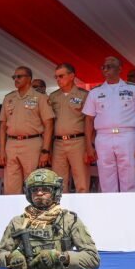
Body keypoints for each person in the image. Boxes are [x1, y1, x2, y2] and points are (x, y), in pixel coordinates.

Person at [83, 57, 135, 193]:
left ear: (120, 69)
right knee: (106, 176)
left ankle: (128, 204)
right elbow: (88, 120)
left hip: (127, 135)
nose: (106, 70)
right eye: (104, 67)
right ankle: (110, 205)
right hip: (103, 137)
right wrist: (89, 145)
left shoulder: (133, 89)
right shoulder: (95, 92)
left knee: (128, 175)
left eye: (110, 66)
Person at [0, 67, 55, 195]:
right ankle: (14, 208)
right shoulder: (9, 98)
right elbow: (2, 126)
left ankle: (34, 208)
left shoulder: (40, 97)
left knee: (34, 185)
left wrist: (45, 150)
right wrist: (1, 150)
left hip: (32, 143)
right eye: (14, 77)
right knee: (11, 187)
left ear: (29, 78)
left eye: (19, 76)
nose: (16, 79)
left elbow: (49, 124)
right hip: (11, 144)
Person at [48, 63, 90, 193]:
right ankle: (60, 205)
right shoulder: (53, 97)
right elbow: (49, 124)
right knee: (58, 183)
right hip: (58, 143)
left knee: (81, 181)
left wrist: (89, 146)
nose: (58, 79)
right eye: (56, 77)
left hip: (78, 141)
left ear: (72, 76)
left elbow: (90, 122)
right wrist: (48, 148)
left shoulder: (84, 95)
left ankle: (83, 204)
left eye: (61, 76)